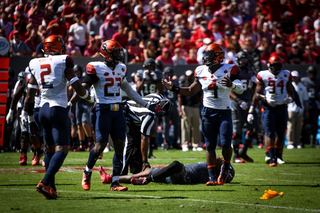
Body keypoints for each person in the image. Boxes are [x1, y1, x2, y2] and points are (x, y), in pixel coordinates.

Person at [68, 40, 165, 192]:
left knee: (120, 146)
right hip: (103, 109)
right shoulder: (96, 67)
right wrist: (69, 104)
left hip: (118, 109)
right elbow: (82, 88)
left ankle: (115, 182)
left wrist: (146, 105)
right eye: (116, 52)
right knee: (100, 146)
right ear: (107, 54)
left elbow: (129, 90)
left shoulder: (121, 68)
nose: (119, 55)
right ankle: (87, 171)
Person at [162, 43, 244, 186]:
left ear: (218, 57)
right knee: (210, 146)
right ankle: (211, 176)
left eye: (209, 55)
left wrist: (231, 85)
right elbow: (190, 91)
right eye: (206, 55)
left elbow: (241, 89)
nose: (206, 58)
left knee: (225, 144)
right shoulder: (200, 70)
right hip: (208, 112)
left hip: (224, 111)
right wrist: (174, 88)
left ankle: (225, 165)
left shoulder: (230, 69)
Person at [26, 35, 94, 199]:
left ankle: (51, 188)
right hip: (58, 109)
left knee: (49, 150)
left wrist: (30, 120)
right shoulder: (64, 60)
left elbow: (29, 95)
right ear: (59, 47)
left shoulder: (34, 63)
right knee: (62, 149)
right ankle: (45, 182)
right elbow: (78, 88)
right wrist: (91, 99)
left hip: (42, 109)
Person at [247, 55, 302, 167]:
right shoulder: (263, 75)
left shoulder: (286, 74)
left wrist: (291, 99)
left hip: (282, 107)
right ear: (269, 66)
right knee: (270, 133)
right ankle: (272, 157)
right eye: (274, 65)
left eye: (278, 66)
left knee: (281, 134)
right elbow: (257, 94)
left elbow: (291, 91)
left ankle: (278, 155)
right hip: (268, 107)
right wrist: (260, 103)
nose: (276, 68)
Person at [121, 93, 172, 174]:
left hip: (135, 115)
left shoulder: (158, 97)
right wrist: (145, 160)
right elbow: (144, 139)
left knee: (137, 144)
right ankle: (120, 172)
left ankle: (136, 171)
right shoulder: (149, 116)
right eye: (162, 112)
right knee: (130, 142)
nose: (162, 115)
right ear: (158, 107)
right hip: (126, 112)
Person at [99, 157, 235, 185]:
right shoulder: (213, 171)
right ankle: (111, 179)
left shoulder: (215, 176)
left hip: (183, 176)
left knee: (176, 164)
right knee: (144, 172)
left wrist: (225, 164)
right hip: (172, 175)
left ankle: (148, 181)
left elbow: (217, 159)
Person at [230, 51, 259, 163]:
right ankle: (236, 155)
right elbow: (229, 90)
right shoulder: (234, 71)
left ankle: (243, 151)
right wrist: (238, 100)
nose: (244, 61)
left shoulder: (251, 71)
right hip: (237, 103)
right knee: (237, 130)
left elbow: (254, 91)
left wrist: (253, 105)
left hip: (248, 103)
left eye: (245, 59)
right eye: (242, 59)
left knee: (254, 128)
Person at [135, 58, 164, 158]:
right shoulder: (140, 73)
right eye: (148, 66)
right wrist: (143, 79)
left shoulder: (158, 73)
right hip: (142, 103)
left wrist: (156, 79)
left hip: (153, 103)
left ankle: (151, 152)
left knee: (152, 129)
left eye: (151, 66)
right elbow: (137, 89)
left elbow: (161, 90)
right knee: (141, 129)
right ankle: (140, 151)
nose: (150, 68)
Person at [178, 70, 203, 152]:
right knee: (185, 127)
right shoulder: (183, 85)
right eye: (188, 75)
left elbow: (200, 97)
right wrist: (180, 110)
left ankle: (196, 144)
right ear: (186, 76)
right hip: (186, 107)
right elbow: (180, 98)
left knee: (196, 127)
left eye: (191, 75)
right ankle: (185, 145)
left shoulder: (196, 85)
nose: (190, 77)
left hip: (195, 107)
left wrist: (202, 107)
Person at [287, 71, 309, 149]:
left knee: (298, 127)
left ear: (298, 77)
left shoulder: (302, 87)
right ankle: (290, 142)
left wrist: (306, 110)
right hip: (290, 109)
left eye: (295, 77)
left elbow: (305, 100)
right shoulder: (289, 86)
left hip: (300, 109)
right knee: (290, 126)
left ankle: (297, 142)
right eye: (293, 77)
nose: (294, 78)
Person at [300, 66, 320, 148]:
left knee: (314, 123)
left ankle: (313, 141)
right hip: (305, 103)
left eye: (313, 73)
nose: (312, 74)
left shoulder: (318, 81)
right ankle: (301, 140)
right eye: (310, 72)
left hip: (314, 103)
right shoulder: (303, 81)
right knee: (303, 122)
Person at [162, 67, 180, 150]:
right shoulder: (162, 82)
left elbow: (178, 93)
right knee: (165, 125)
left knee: (176, 125)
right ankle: (166, 142)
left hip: (173, 105)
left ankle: (175, 141)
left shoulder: (175, 82)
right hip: (165, 107)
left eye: (170, 73)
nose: (168, 75)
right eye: (167, 73)